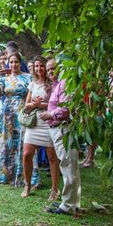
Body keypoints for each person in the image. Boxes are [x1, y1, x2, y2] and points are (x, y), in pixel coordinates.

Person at [39, 58, 81, 215]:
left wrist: (49, 114)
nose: (50, 72)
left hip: (63, 128)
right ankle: (73, 202)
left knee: (68, 165)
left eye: (53, 68)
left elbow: (65, 110)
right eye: (48, 69)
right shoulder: (58, 85)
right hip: (59, 128)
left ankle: (68, 205)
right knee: (71, 166)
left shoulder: (63, 84)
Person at [21, 56, 60, 200]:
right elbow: (26, 105)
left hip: (48, 121)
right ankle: (27, 185)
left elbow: (54, 104)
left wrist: (38, 104)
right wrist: (32, 105)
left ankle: (55, 190)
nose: (39, 69)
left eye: (41, 66)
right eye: (36, 66)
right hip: (34, 122)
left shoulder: (53, 83)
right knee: (26, 154)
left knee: (52, 157)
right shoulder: (32, 84)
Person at [0, 51, 32, 186]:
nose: (14, 64)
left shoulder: (28, 78)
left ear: (20, 63)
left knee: (22, 143)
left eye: (16, 62)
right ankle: (6, 175)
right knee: (8, 143)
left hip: (22, 113)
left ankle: (22, 176)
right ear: (7, 64)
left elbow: (31, 95)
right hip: (7, 114)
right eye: (11, 62)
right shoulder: (4, 78)